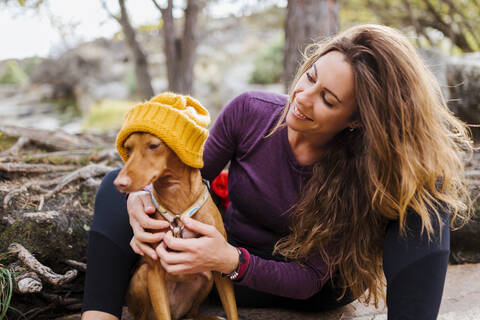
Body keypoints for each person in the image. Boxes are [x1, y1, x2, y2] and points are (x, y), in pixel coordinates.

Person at [81, 24, 473, 320]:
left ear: (356, 120)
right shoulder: (250, 112)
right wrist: (142, 199)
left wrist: (231, 260)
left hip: (305, 287)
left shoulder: (358, 170)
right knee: (112, 188)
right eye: (311, 76)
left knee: (425, 204)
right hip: (222, 268)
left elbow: (307, 280)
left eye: (327, 100)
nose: (302, 97)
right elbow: (190, 174)